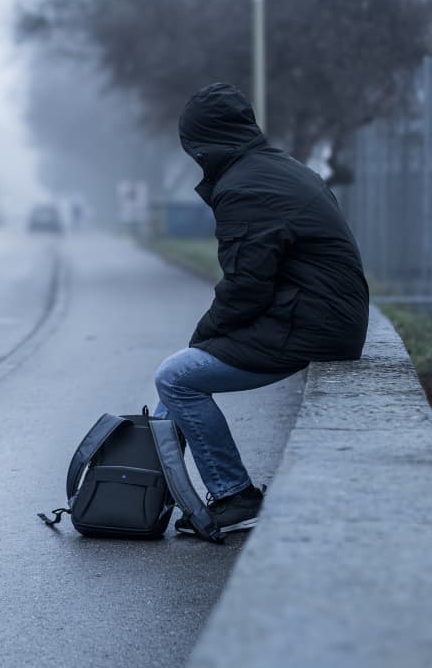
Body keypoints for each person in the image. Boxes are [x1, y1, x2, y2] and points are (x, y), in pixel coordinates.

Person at [156, 83, 369, 536]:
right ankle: (156, 486)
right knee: (180, 374)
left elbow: (246, 287)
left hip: (311, 324)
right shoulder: (277, 169)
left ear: (204, 144)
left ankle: (234, 496)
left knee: (176, 376)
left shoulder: (244, 188)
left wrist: (203, 336)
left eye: (192, 146)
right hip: (321, 316)